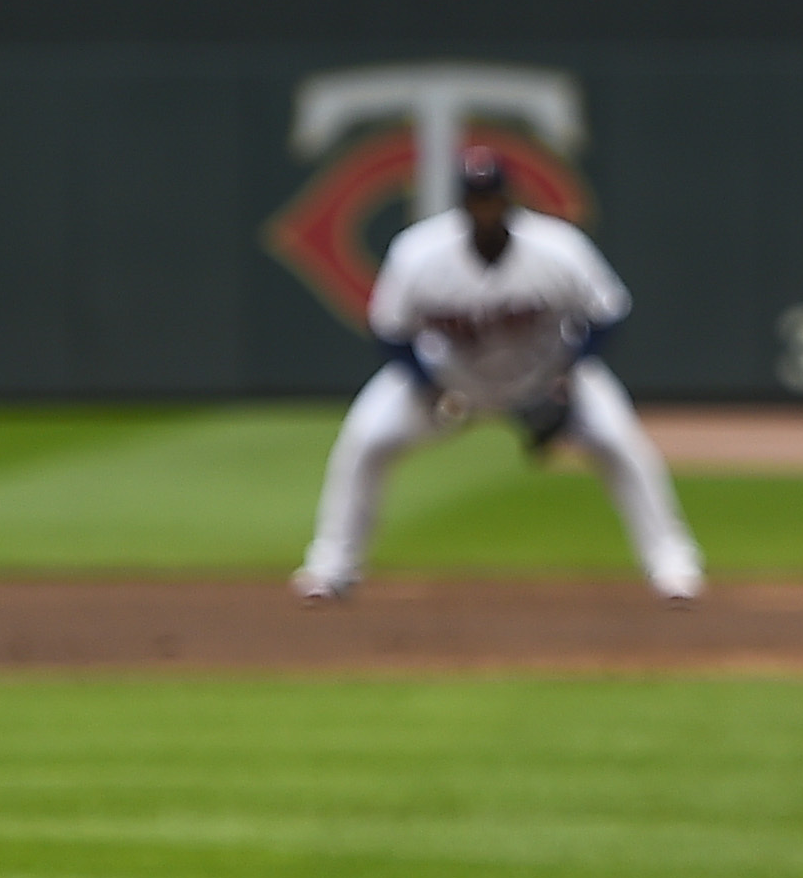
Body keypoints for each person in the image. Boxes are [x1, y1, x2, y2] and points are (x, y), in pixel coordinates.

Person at [295, 146, 702, 605]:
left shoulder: (557, 249)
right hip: (449, 380)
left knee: (621, 445)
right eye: (476, 198)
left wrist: (565, 378)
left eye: (492, 197)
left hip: (546, 373)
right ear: (462, 204)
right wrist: (430, 385)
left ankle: (673, 568)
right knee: (367, 439)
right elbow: (389, 330)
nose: (485, 207)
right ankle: (330, 569)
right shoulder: (419, 252)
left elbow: (609, 315)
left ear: (510, 200)